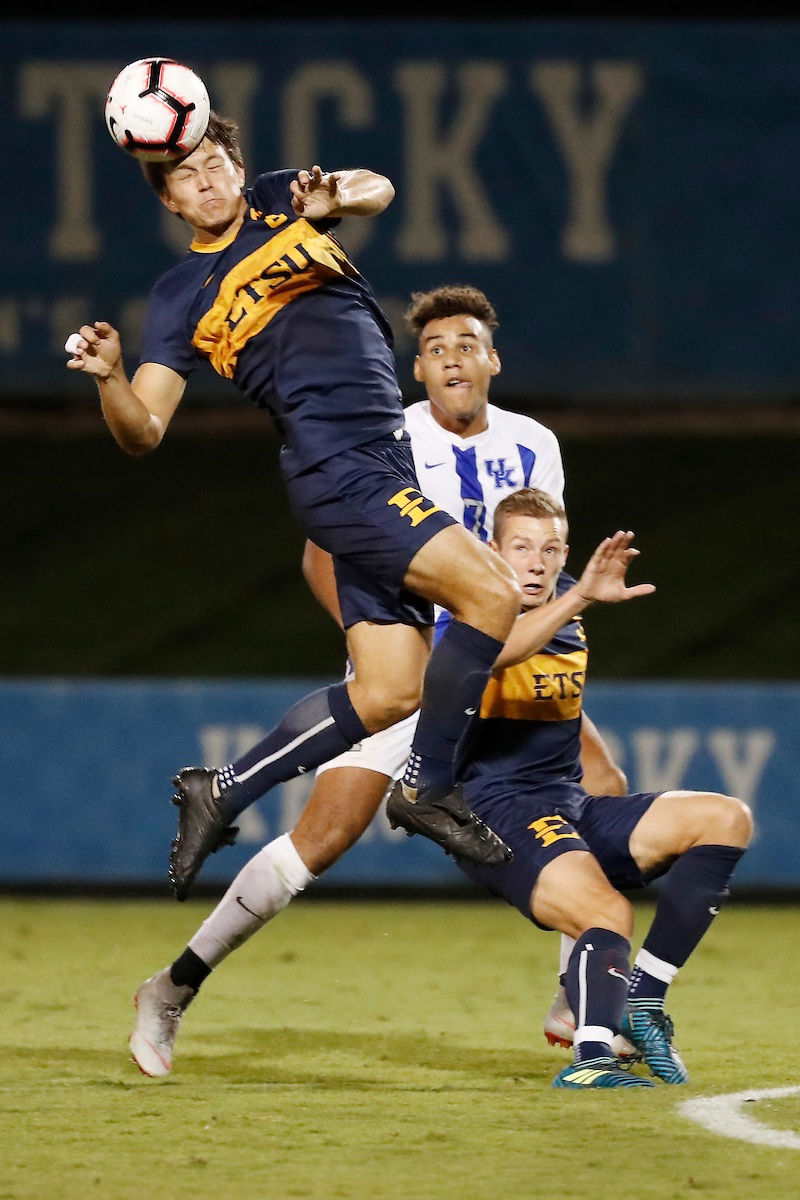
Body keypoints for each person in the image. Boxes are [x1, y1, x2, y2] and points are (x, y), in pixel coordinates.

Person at [127, 290, 622, 1077]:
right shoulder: (387, 437)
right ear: (417, 368)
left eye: (468, 342)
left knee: (600, 778)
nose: (454, 356)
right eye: (436, 347)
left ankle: (575, 992)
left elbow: (542, 548)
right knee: (320, 841)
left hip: (505, 661)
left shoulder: (537, 443)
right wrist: (383, 650)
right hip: (412, 666)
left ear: (493, 359)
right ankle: (172, 987)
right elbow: (321, 556)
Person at [66, 111, 522, 894]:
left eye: (215, 164)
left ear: (241, 171)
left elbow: (377, 186)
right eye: (185, 175)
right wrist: (111, 375)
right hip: (339, 468)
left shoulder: (283, 199)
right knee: (495, 590)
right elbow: (143, 431)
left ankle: (226, 788)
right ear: (170, 201)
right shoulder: (179, 297)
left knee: (390, 690)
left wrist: (332, 198)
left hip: (385, 459)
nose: (206, 180)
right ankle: (430, 787)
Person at [447, 488, 752, 1088]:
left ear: (564, 556)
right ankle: (591, 1061)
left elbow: (559, 707)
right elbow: (490, 656)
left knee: (726, 817)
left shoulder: (567, 613)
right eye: (522, 547)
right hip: (493, 810)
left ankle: (643, 1000)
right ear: (492, 551)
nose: (536, 562)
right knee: (605, 910)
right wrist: (580, 595)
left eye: (551, 549)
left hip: (567, 803)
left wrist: (601, 767)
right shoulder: (467, 610)